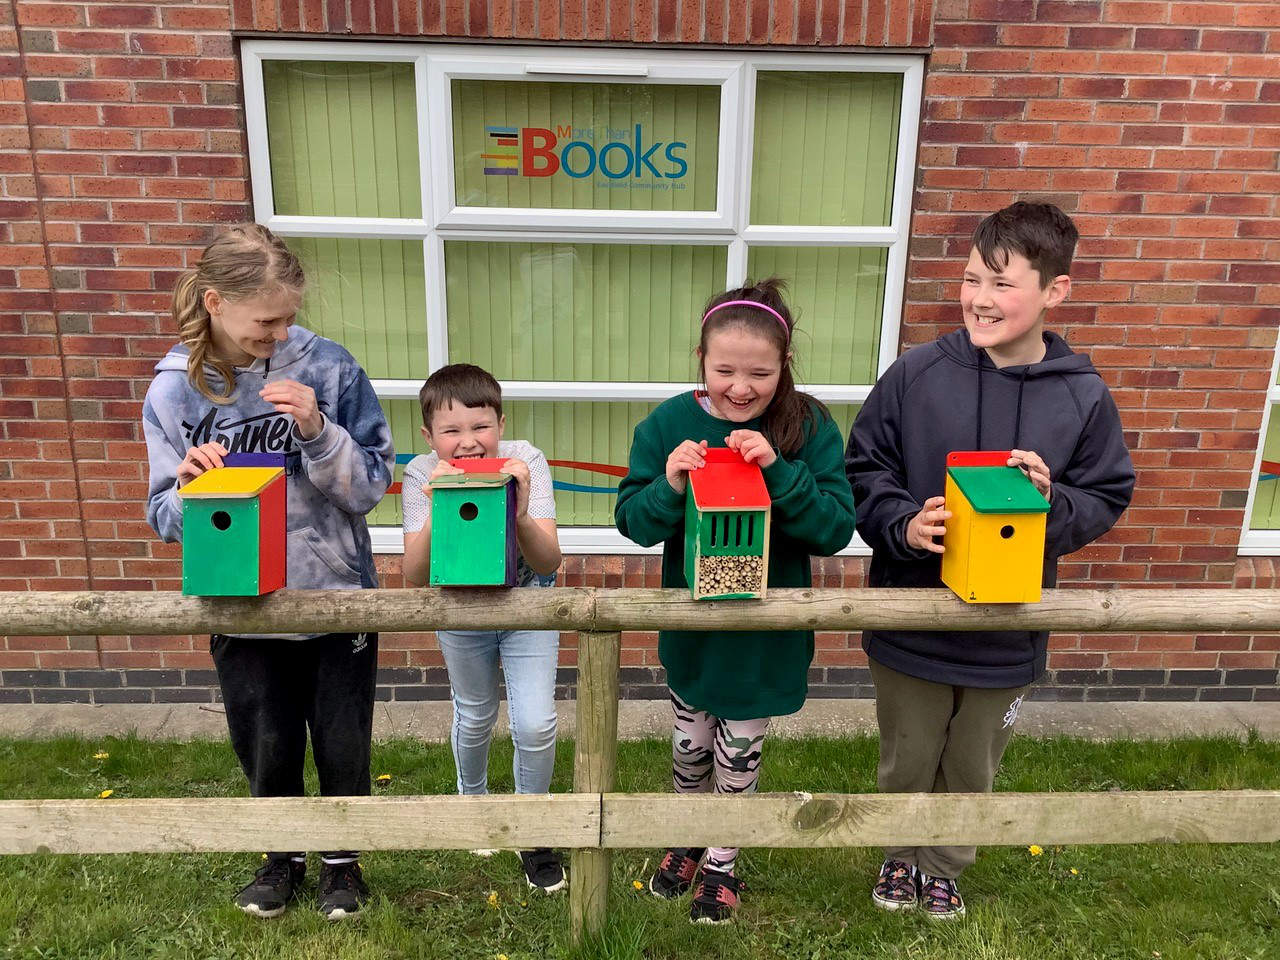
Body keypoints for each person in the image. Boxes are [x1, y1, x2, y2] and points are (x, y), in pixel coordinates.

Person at [846, 201, 1135, 919]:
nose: (980, 298)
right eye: (974, 278)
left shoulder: (1082, 395)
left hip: (1007, 633)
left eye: (1003, 284)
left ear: (1054, 292)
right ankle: (899, 854)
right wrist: (904, 525)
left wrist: (1052, 503)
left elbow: (1105, 491)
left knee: (972, 763)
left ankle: (945, 864)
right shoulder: (915, 375)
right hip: (911, 623)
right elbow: (864, 468)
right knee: (908, 756)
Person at [142, 223, 394, 920]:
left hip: (335, 599)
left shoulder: (331, 369)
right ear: (217, 302)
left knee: (343, 740)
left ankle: (343, 865)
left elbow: (372, 485)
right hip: (239, 606)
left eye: (290, 318)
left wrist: (319, 431)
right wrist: (190, 493)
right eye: (267, 320)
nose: (282, 334)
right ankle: (278, 857)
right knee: (265, 739)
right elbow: (162, 514)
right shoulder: (172, 396)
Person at [615, 278, 856, 924]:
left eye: (760, 373)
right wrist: (668, 483)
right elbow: (633, 522)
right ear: (701, 360)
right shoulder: (670, 422)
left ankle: (721, 861)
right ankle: (690, 831)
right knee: (690, 745)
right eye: (724, 371)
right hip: (695, 633)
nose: (741, 388)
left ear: (784, 366)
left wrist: (779, 471)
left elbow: (835, 528)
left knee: (738, 752)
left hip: (764, 636)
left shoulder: (808, 426)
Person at [400, 363, 566, 893]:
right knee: (475, 715)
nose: (468, 442)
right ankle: (472, 803)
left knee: (536, 722)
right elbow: (414, 575)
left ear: (500, 422)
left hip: (528, 604)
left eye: (480, 426)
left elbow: (548, 563)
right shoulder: (422, 473)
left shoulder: (527, 460)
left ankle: (532, 826)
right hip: (460, 610)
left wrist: (518, 511)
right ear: (429, 437)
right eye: (451, 431)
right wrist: (432, 508)